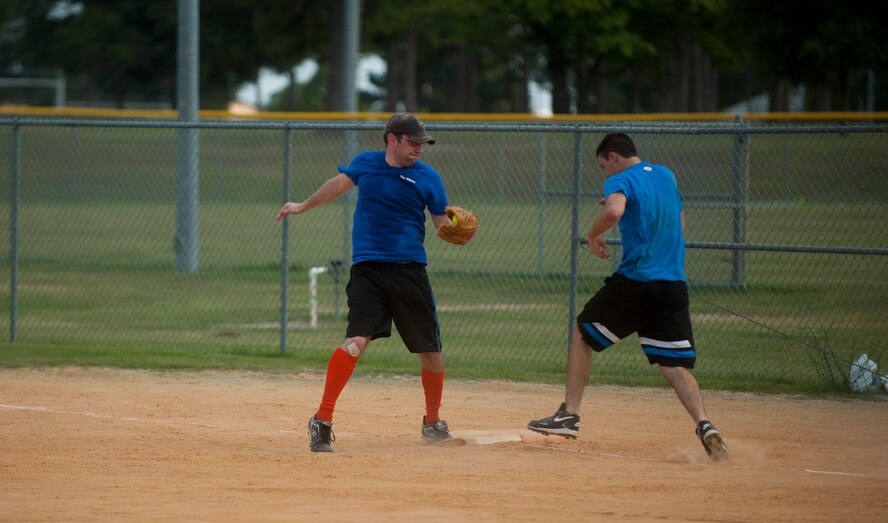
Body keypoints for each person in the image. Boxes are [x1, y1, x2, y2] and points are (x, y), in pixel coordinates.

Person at [527, 132, 729, 461]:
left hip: (638, 281)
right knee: (673, 366)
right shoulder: (665, 174)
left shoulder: (620, 178)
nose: (605, 174)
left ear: (613, 157)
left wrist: (594, 234)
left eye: (603, 166)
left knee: (582, 335)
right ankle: (705, 424)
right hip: (673, 284)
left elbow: (616, 211)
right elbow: (679, 220)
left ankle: (569, 416)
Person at [276, 113, 459, 453]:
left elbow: (440, 225)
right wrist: (301, 206)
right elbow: (337, 185)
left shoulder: (428, 177)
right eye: (413, 142)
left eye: (422, 143)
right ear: (392, 139)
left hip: (410, 272)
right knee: (355, 343)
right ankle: (322, 419)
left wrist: (456, 229)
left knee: (431, 353)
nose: (419, 148)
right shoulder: (367, 164)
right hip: (369, 272)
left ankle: (432, 421)